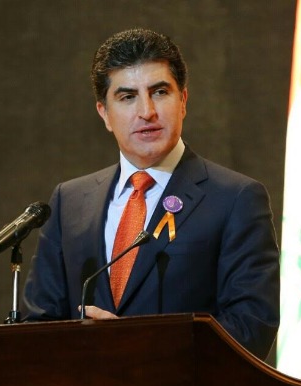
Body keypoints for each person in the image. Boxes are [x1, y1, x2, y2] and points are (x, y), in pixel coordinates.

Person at [20, 28, 280, 359]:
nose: (146, 111)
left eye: (159, 92)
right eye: (127, 97)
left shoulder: (236, 199)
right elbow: (38, 325)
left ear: (183, 101)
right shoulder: (70, 201)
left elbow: (250, 329)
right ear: (104, 114)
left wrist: (138, 347)